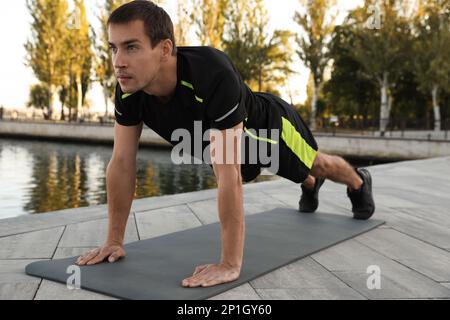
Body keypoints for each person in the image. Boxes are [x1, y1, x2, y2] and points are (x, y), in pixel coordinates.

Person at [76, 0, 375, 288]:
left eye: (131, 47)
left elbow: (229, 171)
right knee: (253, 171)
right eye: (113, 48)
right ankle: (309, 184)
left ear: (164, 49)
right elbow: (122, 162)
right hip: (219, 141)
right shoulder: (129, 88)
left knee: (315, 163)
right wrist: (113, 241)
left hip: (267, 130)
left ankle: (358, 181)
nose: (118, 61)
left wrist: (230, 264)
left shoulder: (211, 73)